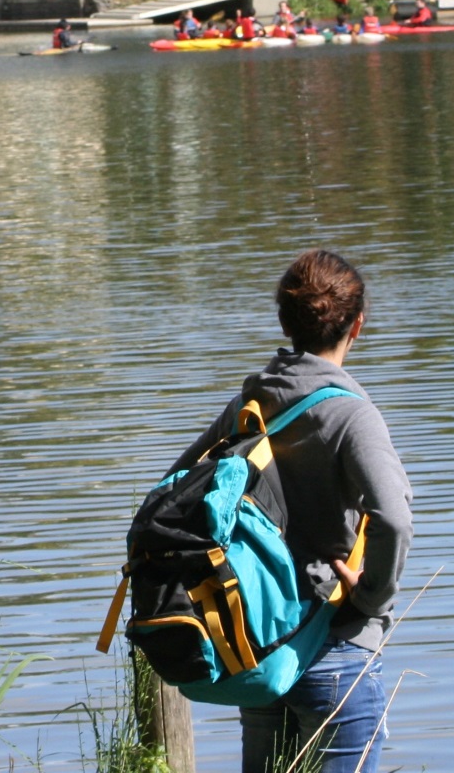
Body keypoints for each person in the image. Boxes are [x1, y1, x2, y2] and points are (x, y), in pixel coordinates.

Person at [168, 250, 412, 773]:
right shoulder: (351, 414)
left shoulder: (249, 408)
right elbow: (392, 516)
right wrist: (371, 596)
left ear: (285, 321)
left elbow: (176, 494)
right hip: (335, 646)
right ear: (358, 325)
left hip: (261, 655)